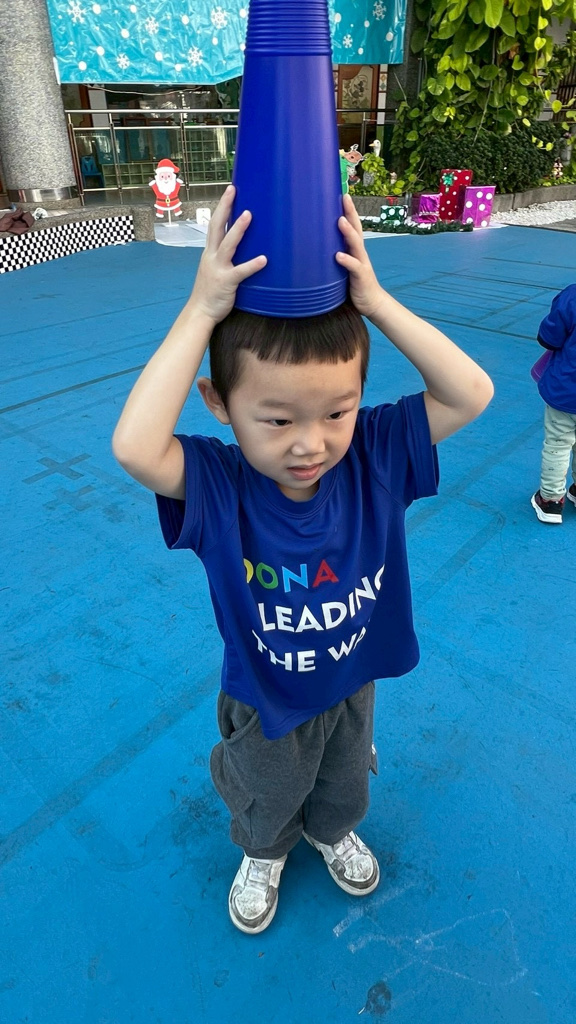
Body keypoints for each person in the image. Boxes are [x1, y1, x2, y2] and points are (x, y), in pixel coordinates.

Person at [113, 185, 493, 934]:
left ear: (360, 399)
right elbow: (134, 447)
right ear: (219, 403)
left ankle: (331, 830)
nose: (310, 443)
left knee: (345, 782)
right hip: (265, 695)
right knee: (266, 792)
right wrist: (202, 310)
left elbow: (471, 391)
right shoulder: (219, 486)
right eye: (278, 419)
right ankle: (264, 849)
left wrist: (375, 303)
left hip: (351, 679)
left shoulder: (376, 454)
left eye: (336, 412)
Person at [530, 284, 576, 524]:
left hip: (566, 390)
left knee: (558, 444)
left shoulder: (572, 296)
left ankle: (550, 500)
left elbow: (549, 337)